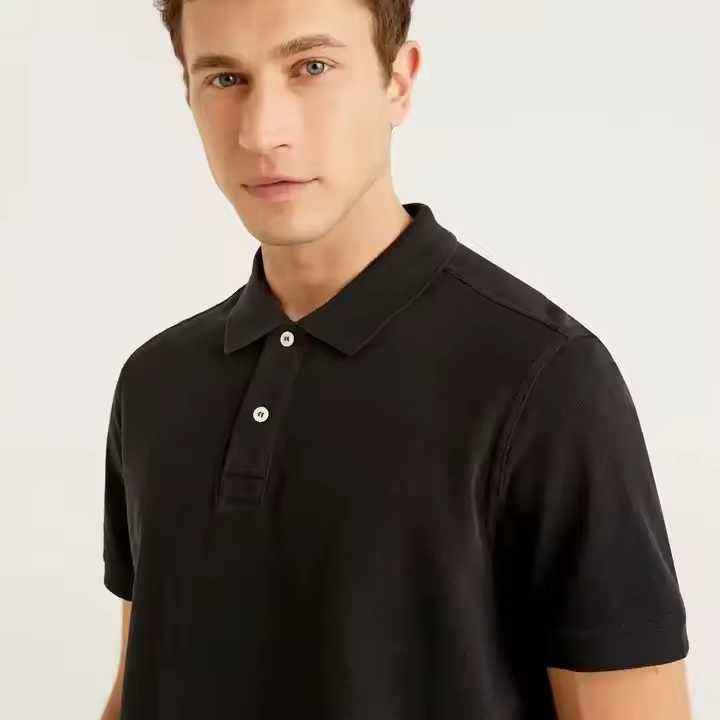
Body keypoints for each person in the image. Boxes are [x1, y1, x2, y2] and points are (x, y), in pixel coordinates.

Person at [101, 1, 692, 718]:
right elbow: (141, 684)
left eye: (311, 67)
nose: (262, 132)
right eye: (225, 79)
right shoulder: (155, 383)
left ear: (398, 81)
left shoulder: (545, 379)